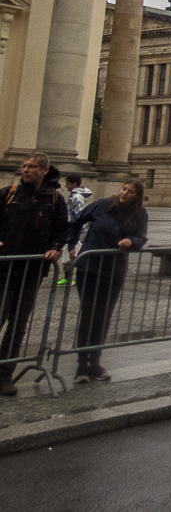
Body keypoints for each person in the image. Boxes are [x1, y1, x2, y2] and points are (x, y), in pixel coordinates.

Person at [66, 179, 149, 383]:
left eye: (130, 192)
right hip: (89, 267)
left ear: (137, 196)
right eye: (123, 189)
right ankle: (81, 364)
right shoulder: (103, 204)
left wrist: (131, 242)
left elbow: (141, 238)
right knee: (88, 314)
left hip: (113, 270)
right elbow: (77, 218)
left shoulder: (140, 214)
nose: (124, 193)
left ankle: (95, 361)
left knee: (103, 317)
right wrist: (72, 245)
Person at [0, 153, 68, 396]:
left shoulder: (54, 199)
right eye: (24, 166)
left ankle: (5, 375)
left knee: (17, 324)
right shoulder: (8, 193)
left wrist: (56, 248)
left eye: (31, 167)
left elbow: (62, 230)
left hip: (32, 271)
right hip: (4, 269)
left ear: (45, 170)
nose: (26, 170)